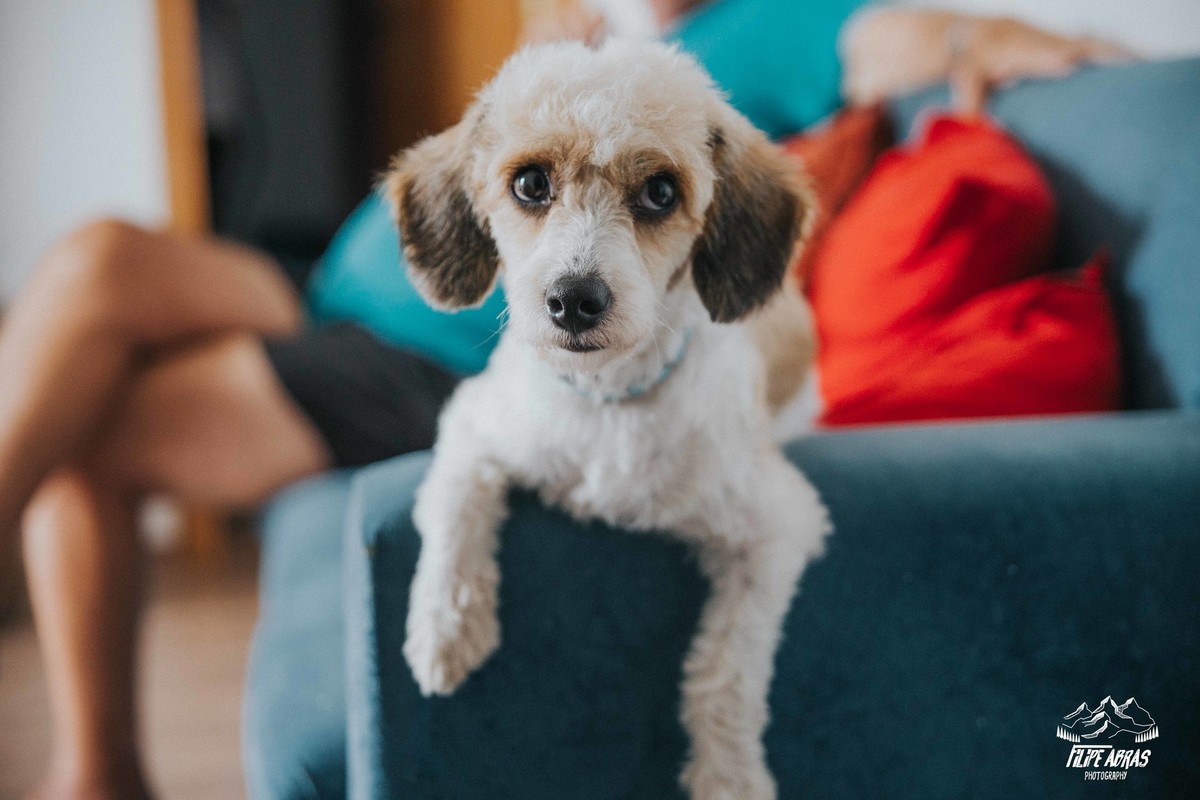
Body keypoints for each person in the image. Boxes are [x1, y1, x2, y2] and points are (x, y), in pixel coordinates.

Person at [3, 2, 1126, 797]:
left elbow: (905, 39)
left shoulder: (777, 24)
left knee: (92, 426)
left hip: (423, 353)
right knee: (98, 260)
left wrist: (992, 40)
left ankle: (96, 773)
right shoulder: (584, 38)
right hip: (332, 288)